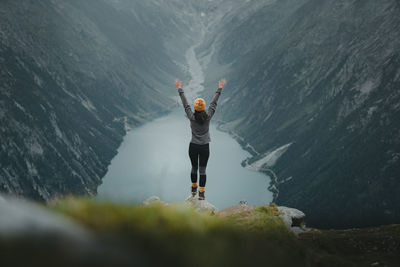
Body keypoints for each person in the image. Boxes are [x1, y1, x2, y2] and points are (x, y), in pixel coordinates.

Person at [175, 78, 226, 200]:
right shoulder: (208, 116)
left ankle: (193, 190)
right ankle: (201, 194)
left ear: (195, 107)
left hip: (193, 146)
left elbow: (185, 104)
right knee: (202, 170)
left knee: (194, 167)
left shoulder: (192, 117)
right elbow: (213, 103)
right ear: (203, 107)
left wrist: (179, 89)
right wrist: (220, 88)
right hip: (204, 147)